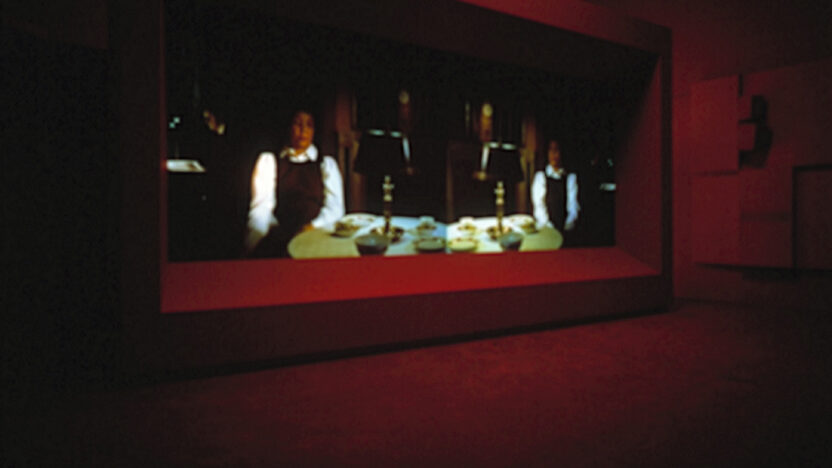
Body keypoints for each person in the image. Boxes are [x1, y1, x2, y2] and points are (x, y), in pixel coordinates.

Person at [245, 109, 344, 257]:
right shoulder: (269, 161)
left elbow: (335, 209)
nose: (303, 130)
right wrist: (253, 245)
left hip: (317, 234)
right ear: (288, 126)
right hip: (282, 237)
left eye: (309, 125)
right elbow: (261, 210)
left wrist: (312, 227)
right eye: (298, 124)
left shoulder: (327, 164)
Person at [353, 89, 446, 217]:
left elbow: (432, 181)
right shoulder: (382, 139)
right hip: (388, 203)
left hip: (417, 204)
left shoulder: (426, 140)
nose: (405, 113)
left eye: (408, 109)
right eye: (402, 109)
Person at [447, 101, 524, 219]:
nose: (487, 126)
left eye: (490, 121)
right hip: (474, 208)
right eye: (484, 121)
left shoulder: (503, 152)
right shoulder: (467, 150)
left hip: (495, 210)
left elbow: (510, 183)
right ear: (477, 124)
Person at [531, 139, 579, 241]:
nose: (554, 154)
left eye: (557, 149)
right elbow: (539, 206)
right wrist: (550, 228)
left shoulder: (570, 178)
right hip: (546, 229)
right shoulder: (540, 177)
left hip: (566, 230)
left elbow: (573, 206)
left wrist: (567, 226)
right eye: (551, 150)